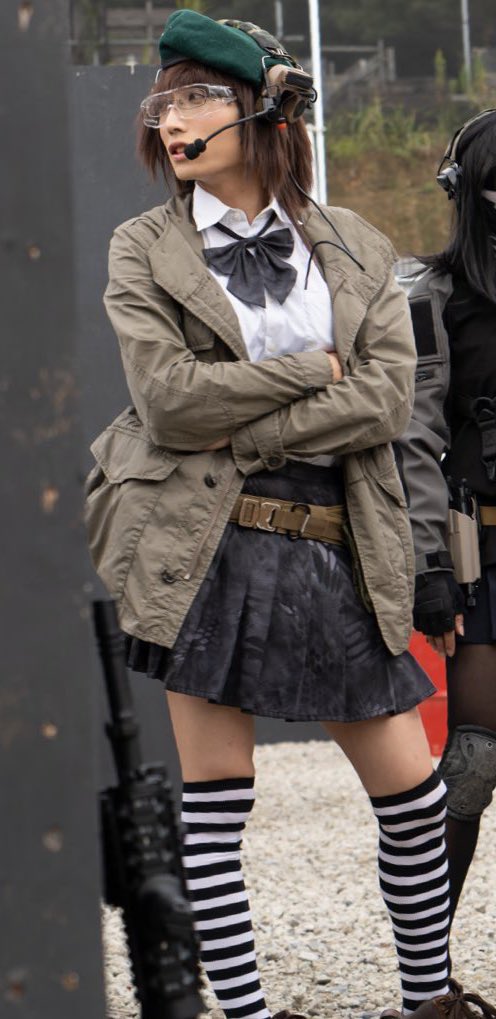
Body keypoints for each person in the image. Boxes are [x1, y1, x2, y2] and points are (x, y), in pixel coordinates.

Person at [84, 11, 481, 1019]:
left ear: (264, 111)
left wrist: (246, 416)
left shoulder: (353, 243)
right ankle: (249, 1012)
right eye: (164, 102)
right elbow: (169, 403)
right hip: (204, 539)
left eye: (198, 97)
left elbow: (384, 400)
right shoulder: (145, 247)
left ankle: (426, 999)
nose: (174, 119)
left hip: (340, 536)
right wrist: (310, 370)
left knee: (415, 795)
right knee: (217, 800)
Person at [397, 109, 496, 934]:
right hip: (482, 547)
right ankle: (425, 967)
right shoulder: (434, 297)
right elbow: (413, 437)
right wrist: (430, 566)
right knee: (472, 761)